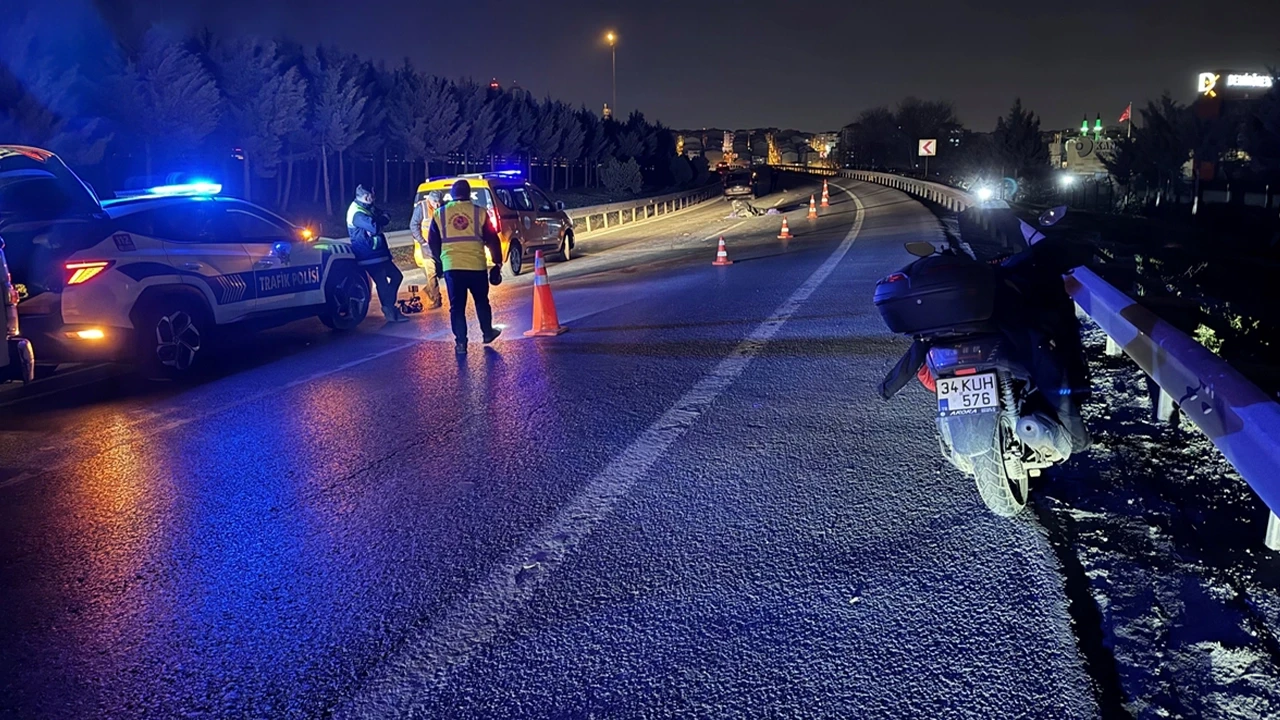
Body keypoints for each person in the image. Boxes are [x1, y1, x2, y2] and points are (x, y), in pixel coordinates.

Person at [427, 179, 504, 354]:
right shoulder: (479, 212)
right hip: (476, 266)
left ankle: (461, 343)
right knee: (482, 301)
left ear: (452, 195)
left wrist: (440, 262)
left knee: (457, 307)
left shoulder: (440, 214)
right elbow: (492, 239)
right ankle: (487, 333)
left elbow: (433, 242)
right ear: (469, 194)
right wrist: (497, 262)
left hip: (452, 267)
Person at [347, 185, 408, 323]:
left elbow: (385, 216)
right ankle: (390, 310)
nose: (374, 199)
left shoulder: (367, 208)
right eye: (373, 196)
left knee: (397, 276)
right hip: (369, 254)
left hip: (378, 253)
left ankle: (389, 307)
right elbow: (375, 227)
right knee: (382, 283)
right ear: (367, 197)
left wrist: (380, 221)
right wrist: (379, 222)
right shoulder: (357, 213)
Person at [409, 190, 444, 309]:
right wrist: (422, 241)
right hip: (427, 247)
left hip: (440, 246)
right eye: (435, 202)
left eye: (439, 202)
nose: (437, 205)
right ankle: (436, 299)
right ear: (429, 199)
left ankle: (429, 290)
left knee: (439, 272)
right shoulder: (421, 208)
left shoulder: (442, 208)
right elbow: (413, 225)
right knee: (432, 273)